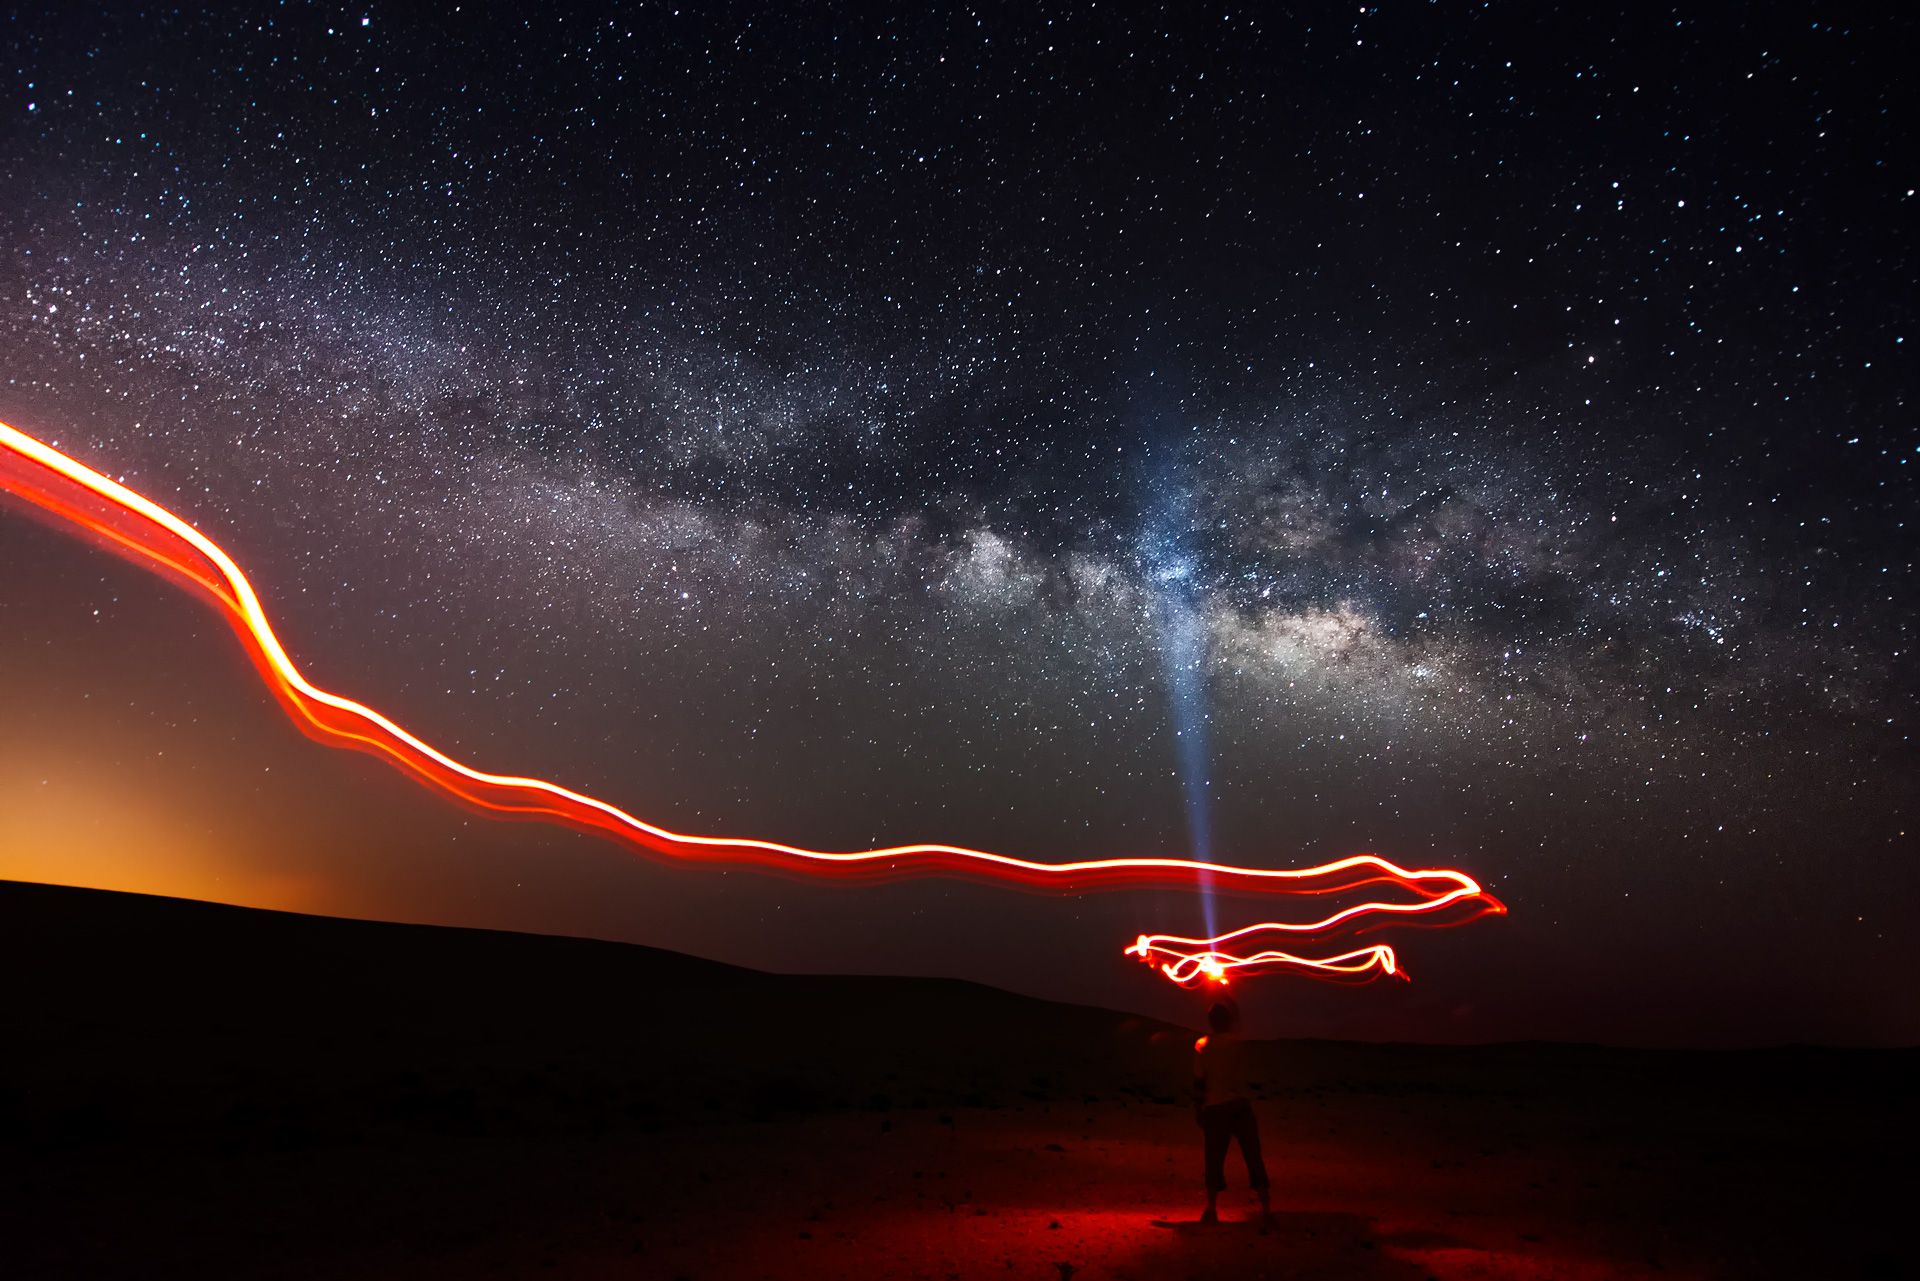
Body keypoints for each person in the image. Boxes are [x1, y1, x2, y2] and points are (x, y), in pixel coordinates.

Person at [1191, 989, 1271, 1224]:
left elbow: (1198, 1082)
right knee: (1253, 1157)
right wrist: (1225, 990)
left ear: (1211, 1022)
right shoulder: (1235, 1040)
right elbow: (1237, 1014)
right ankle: (1266, 1211)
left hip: (1215, 1108)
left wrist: (1198, 1110)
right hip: (1240, 1107)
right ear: (1227, 1022)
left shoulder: (1202, 1045)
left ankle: (1212, 1210)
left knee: (1213, 1158)